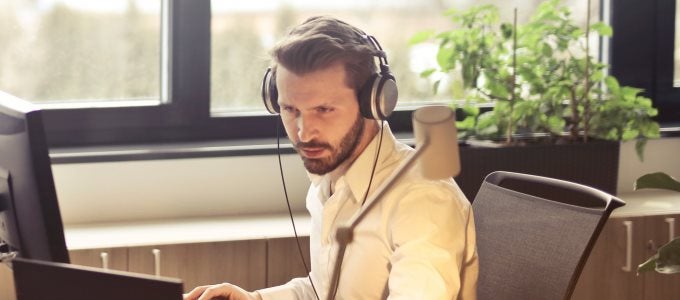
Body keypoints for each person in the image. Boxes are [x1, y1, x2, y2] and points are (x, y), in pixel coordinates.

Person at [184, 16, 478, 300]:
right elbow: (325, 291)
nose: (303, 132)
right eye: (290, 109)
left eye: (323, 110)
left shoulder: (423, 199)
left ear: (373, 103)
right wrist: (255, 298)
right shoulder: (330, 180)